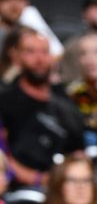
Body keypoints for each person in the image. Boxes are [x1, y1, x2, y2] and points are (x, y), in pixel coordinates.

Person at [0, 28, 84, 188]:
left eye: (45, 52)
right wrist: (38, 179)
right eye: (30, 52)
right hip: (14, 187)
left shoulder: (68, 107)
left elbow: (78, 155)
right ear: (17, 56)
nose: (39, 59)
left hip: (61, 188)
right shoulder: (4, 102)